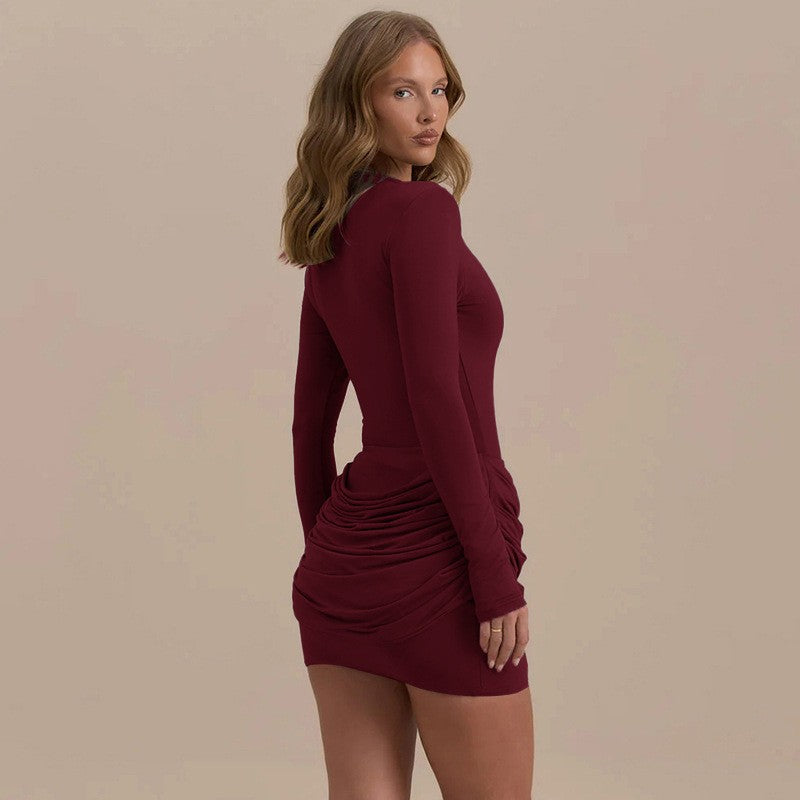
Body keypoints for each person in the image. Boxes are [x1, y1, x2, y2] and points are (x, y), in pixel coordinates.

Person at [280, 10, 534, 799]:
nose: (430, 113)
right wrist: (492, 576)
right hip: (444, 562)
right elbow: (435, 396)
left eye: (440, 90)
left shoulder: (327, 234)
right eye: (403, 92)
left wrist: (333, 559)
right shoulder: (425, 212)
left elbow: (309, 425)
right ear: (358, 103)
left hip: (344, 570)